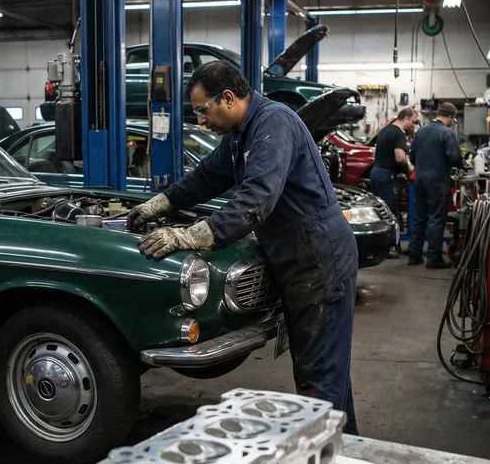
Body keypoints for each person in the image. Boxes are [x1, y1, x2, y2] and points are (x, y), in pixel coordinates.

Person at [126, 62, 360, 434]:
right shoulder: (240, 134)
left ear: (228, 98)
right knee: (327, 369)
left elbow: (257, 199)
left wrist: (188, 236)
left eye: (203, 110)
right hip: (299, 255)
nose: (201, 120)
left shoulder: (273, 123)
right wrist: (160, 204)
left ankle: (327, 456)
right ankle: (348, 450)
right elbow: (206, 177)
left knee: (319, 376)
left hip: (318, 257)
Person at [407, 102, 463, 269]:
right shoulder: (447, 133)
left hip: (420, 179)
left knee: (419, 218)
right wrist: (461, 164)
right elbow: (454, 157)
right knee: (436, 219)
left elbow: (412, 155)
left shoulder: (421, 132)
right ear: (450, 117)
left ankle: (414, 255)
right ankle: (433, 258)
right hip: (437, 181)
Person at [369, 108, 416, 256]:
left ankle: (378, 246)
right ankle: (390, 248)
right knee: (390, 211)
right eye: (413, 122)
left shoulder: (385, 129)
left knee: (379, 211)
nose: (413, 125)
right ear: (406, 119)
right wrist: (409, 169)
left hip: (376, 173)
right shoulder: (399, 133)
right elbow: (400, 157)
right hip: (387, 176)